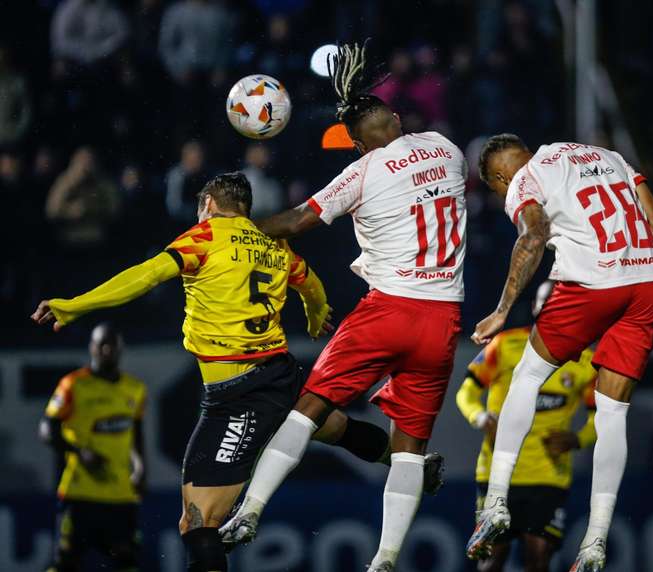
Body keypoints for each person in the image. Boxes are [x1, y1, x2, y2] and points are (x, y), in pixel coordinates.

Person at [31, 172, 419, 572]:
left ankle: (409, 464)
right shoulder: (274, 242)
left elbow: (144, 276)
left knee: (199, 522)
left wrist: (74, 305)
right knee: (335, 427)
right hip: (278, 373)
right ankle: (413, 463)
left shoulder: (204, 238)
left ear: (209, 205)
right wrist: (315, 311)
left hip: (239, 394)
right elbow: (310, 281)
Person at [219, 41, 468, 572]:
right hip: (443, 318)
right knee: (409, 451)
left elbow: (294, 222)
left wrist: (231, 229)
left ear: (356, 144)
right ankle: (385, 560)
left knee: (308, 408)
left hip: (389, 309)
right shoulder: (448, 151)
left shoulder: (364, 171)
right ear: (397, 118)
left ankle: (250, 511)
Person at [465, 135, 653, 571]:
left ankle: (495, 503)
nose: (505, 197)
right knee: (613, 413)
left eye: (500, 191)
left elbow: (533, 237)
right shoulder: (607, 155)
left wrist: (502, 310)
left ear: (501, 176)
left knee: (527, 377)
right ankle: (595, 540)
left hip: (592, 282)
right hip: (648, 280)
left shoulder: (524, 179)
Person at [456, 282, 597, 572]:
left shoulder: (584, 361)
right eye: (545, 302)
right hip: (497, 471)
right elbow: (466, 392)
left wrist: (578, 439)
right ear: (535, 306)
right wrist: (481, 418)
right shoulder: (504, 345)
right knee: (492, 559)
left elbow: (604, 415)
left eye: (557, 302)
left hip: (548, 475)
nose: (550, 308)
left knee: (538, 556)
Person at [40, 323, 146, 572]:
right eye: (102, 344)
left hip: (122, 494)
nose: (107, 350)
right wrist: (79, 452)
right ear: (92, 347)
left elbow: (137, 436)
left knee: (127, 562)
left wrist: (141, 468)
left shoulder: (135, 389)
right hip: (81, 493)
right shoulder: (73, 385)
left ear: (121, 348)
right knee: (66, 562)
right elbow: (47, 429)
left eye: (112, 344)